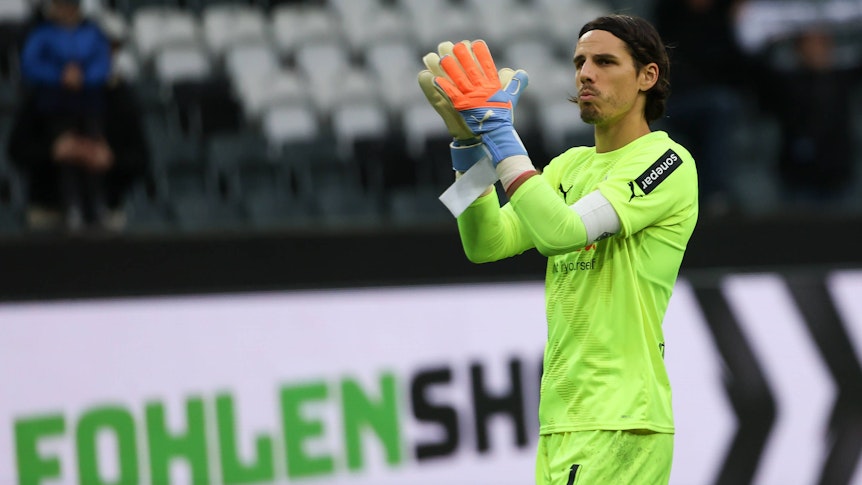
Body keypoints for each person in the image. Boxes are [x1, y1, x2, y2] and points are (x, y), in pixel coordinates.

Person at [420, 14, 698, 484]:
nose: (586, 73)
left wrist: (500, 136)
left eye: (605, 61)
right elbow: (486, 244)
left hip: (619, 418)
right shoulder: (570, 164)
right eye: (580, 62)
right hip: (563, 420)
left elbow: (562, 233)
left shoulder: (666, 161)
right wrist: (468, 145)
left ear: (647, 77)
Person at [8, 8, 149, 231]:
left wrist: (110, 159)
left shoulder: (119, 97)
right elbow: (17, 150)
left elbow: (139, 158)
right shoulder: (43, 93)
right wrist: (54, 151)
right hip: (49, 214)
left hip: (106, 215)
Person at [652, 0, 753, 216]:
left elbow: (740, 68)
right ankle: (714, 194)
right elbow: (664, 68)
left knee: (721, 108)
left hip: (717, 102)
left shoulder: (724, 15)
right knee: (720, 106)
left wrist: (739, 24)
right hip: (675, 101)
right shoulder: (668, 14)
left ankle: (715, 196)